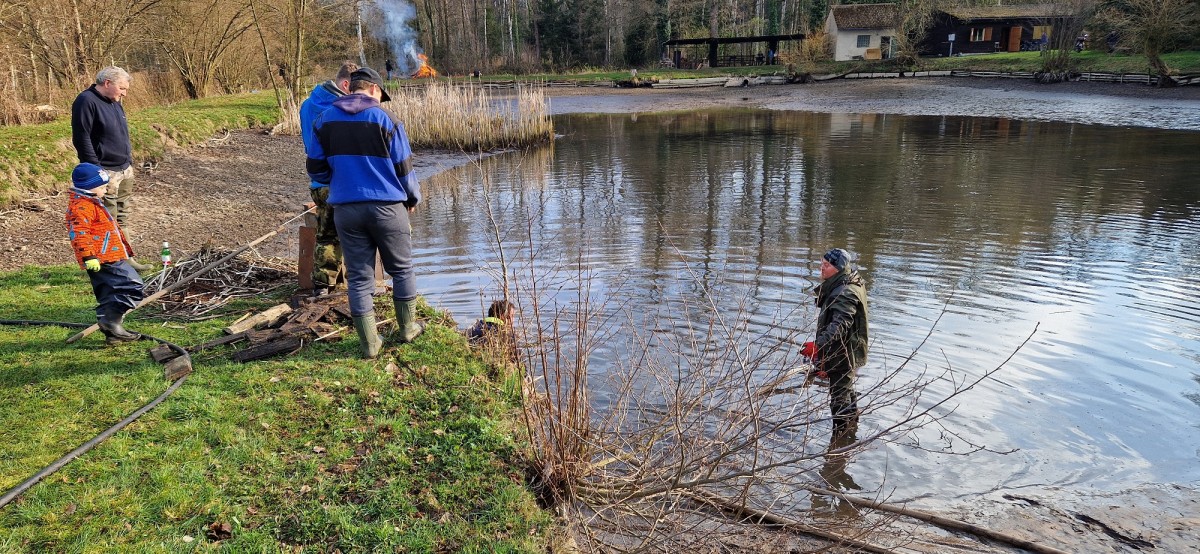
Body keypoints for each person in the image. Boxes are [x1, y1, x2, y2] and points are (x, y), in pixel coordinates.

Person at [307, 67, 422, 359]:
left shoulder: (323, 121)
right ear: (373, 89)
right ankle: (408, 329)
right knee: (402, 269)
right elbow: (404, 168)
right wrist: (412, 197)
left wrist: (340, 181)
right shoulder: (387, 120)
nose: (382, 101)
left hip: (345, 208)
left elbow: (316, 168)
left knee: (359, 277)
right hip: (387, 207)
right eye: (381, 95)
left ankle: (370, 345)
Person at [71, 66, 150, 271]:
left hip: (124, 167)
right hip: (105, 170)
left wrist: (128, 161)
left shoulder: (115, 102)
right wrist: (97, 173)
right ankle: (109, 262)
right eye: (122, 88)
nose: (124, 93)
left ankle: (125, 258)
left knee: (122, 214)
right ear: (107, 83)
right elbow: (82, 138)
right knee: (107, 218)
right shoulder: (86, 101)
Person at [65, 163, 144, 345]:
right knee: (132, 286)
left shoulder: (91, 201)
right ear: (88, 187)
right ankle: (109, 321)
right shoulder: (81, 207)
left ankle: (113, 333)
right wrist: (89, 256)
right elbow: (79, 233)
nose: (106, 189)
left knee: (110, 293)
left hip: (109, 255)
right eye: (102, 187)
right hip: (103, 258)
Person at [299, 61, 358, 295]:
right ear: (345, 84)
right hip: (340, 181)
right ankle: (355, 286)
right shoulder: (339, 108)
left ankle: (323, 286)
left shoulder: (307, 104)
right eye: (356, 89)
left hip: (318, 180)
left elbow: (309, 145)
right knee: (352, 233)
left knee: (326, 233)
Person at [802, 248, 868, 434]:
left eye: (827, 265)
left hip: (845, 354)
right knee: (846, 391)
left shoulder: (845, 291)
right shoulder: (846, 281)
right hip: (845, 350)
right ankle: (851, 433)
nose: (821, 268)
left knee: (839, 399)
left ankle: (840, 442)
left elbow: (839, 325)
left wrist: (818, 346)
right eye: (821, 263)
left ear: (838, 268)